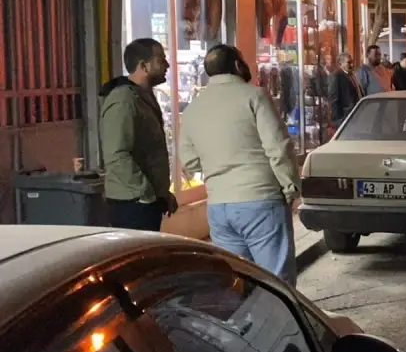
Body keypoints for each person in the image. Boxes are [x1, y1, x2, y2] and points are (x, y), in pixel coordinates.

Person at [180, 44, 301, 285]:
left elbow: (190, 161)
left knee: (238, 282)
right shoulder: (254, 96)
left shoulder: (193, 108)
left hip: (219, 207)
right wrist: (291, 187)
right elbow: (278, 147)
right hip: (260, 201)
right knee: (277, 282)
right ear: (238, 65)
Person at [100, 37, 178, 230]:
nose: (167, 65)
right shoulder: (123, 100)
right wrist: (145, 192)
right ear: (144, 66)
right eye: (161, 59)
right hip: (132, 204)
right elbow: (116, 154)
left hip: (144, 200)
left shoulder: (143, 96)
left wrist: (162, 193)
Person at [328, 52, 362, 124]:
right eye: (349, 62)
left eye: (352, 62)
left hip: (355, 114)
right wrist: (339, 119)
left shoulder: (352, 75)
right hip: (344, 117)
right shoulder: (336, 76)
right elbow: (334, 99)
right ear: (340, 63)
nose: (352, 65)